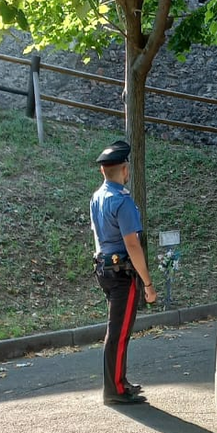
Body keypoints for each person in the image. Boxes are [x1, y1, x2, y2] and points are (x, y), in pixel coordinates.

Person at [89, 140, 157, 405]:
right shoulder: (122, 202)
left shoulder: (97, 197)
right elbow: (132, 245)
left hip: (104, 269)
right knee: (118, 333)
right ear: (125, 169)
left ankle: (119, 380)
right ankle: (115, 390)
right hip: (121, 274)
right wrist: (148, 283)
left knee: (117, 330)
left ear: (102, 171)